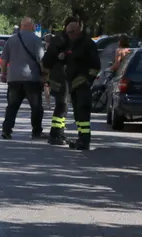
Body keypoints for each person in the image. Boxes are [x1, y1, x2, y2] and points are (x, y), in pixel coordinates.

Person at [42, 17, 101, 150]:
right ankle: (71, 137)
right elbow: (52, 60)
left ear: (78, 30)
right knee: (72, 110)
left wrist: (87, 81)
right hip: (69, 82)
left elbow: (95, 66)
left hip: (80, 84)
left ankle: (82, 139)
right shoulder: (69, 42)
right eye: (67, 32)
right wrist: (61, 58)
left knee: (79, 111)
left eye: (71, 32)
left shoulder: (86, 44)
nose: (68, 35)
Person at [0, 17, 46, 140]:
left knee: (12, 106)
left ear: (21, 26)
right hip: (32, 79)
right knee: (36, 107)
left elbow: (3, 60)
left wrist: (3, 74)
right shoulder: (36, 40)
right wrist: (44, 75)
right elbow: (42, 60)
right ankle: (36, 131)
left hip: (14, 79)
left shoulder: (11, 40)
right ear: (32, 27)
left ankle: (7, 130)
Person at [42, 34, 53, 109]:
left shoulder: (46, 46)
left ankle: (48, 103)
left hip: (47, 69)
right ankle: (50, 102)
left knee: (46, 85)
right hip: (54, 70)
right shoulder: (57, 46)